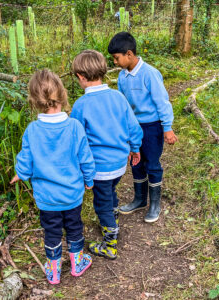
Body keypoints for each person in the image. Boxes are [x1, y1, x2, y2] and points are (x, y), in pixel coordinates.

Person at [10, 69, 95, 284]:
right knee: (74, 227)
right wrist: (89, 179)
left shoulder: (32, 130)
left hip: (47, 198)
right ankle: (77, 263)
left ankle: (54, 270)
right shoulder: (74, 126)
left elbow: (26, 159)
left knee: (51, 231)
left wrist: (20, 173)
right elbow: (85, 158)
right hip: (72, 194)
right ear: (63, 95)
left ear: (34, 101)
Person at [71, 50, 143, 259]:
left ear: (81, 77)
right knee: (109, 191)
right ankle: (113, 214)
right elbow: (133, 126)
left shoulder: (81, 105)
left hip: (98, 168)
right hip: (120, 164)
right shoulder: (117, 97)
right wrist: (135, 148)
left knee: (101, 203)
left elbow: (76, 139)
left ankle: (110, 244)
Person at [108, 32, 178, 223]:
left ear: (129, 54)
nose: (115, 62)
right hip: (133, 128)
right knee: (136, 163)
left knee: (152, 163)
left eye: (116, 58)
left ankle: (154, 203)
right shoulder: (122, 77)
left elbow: (162, 102)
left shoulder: (150, 74)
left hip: (152, 127)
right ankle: (139, 199)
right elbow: (123, 104)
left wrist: (167, 127)